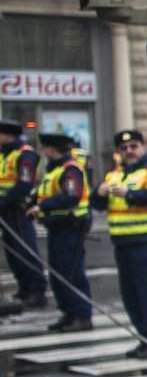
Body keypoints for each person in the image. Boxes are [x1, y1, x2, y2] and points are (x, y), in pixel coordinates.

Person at [93, 129, 147, 357]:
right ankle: (145, 339)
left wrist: (131, 195)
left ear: (143, 146)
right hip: (123, 244)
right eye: (124, 148)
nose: (129, 151)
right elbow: (97, 204)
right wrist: (99, 193)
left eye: (133, 146)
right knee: (132, 296)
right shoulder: (115, 174)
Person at [33, 131, 92, 333]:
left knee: (72, 274)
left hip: (70, 228)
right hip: (57, 227)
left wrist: (43, 206)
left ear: (51, 149)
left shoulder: (70, 169)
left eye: (45, 148)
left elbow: (71, 196)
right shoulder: (54, 170)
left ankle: (81, 315)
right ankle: (69, 313)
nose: (43, 152)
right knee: (58, 275)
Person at [0, 119, 47, 308]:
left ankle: (36, 290)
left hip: (17, 209)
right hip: (5, 210)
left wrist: (3, 202)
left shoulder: (25, 154)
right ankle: (24, 288)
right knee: (13, 253)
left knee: (25, 250)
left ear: (8, 135)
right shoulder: (4, 154)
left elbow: (24, 184)